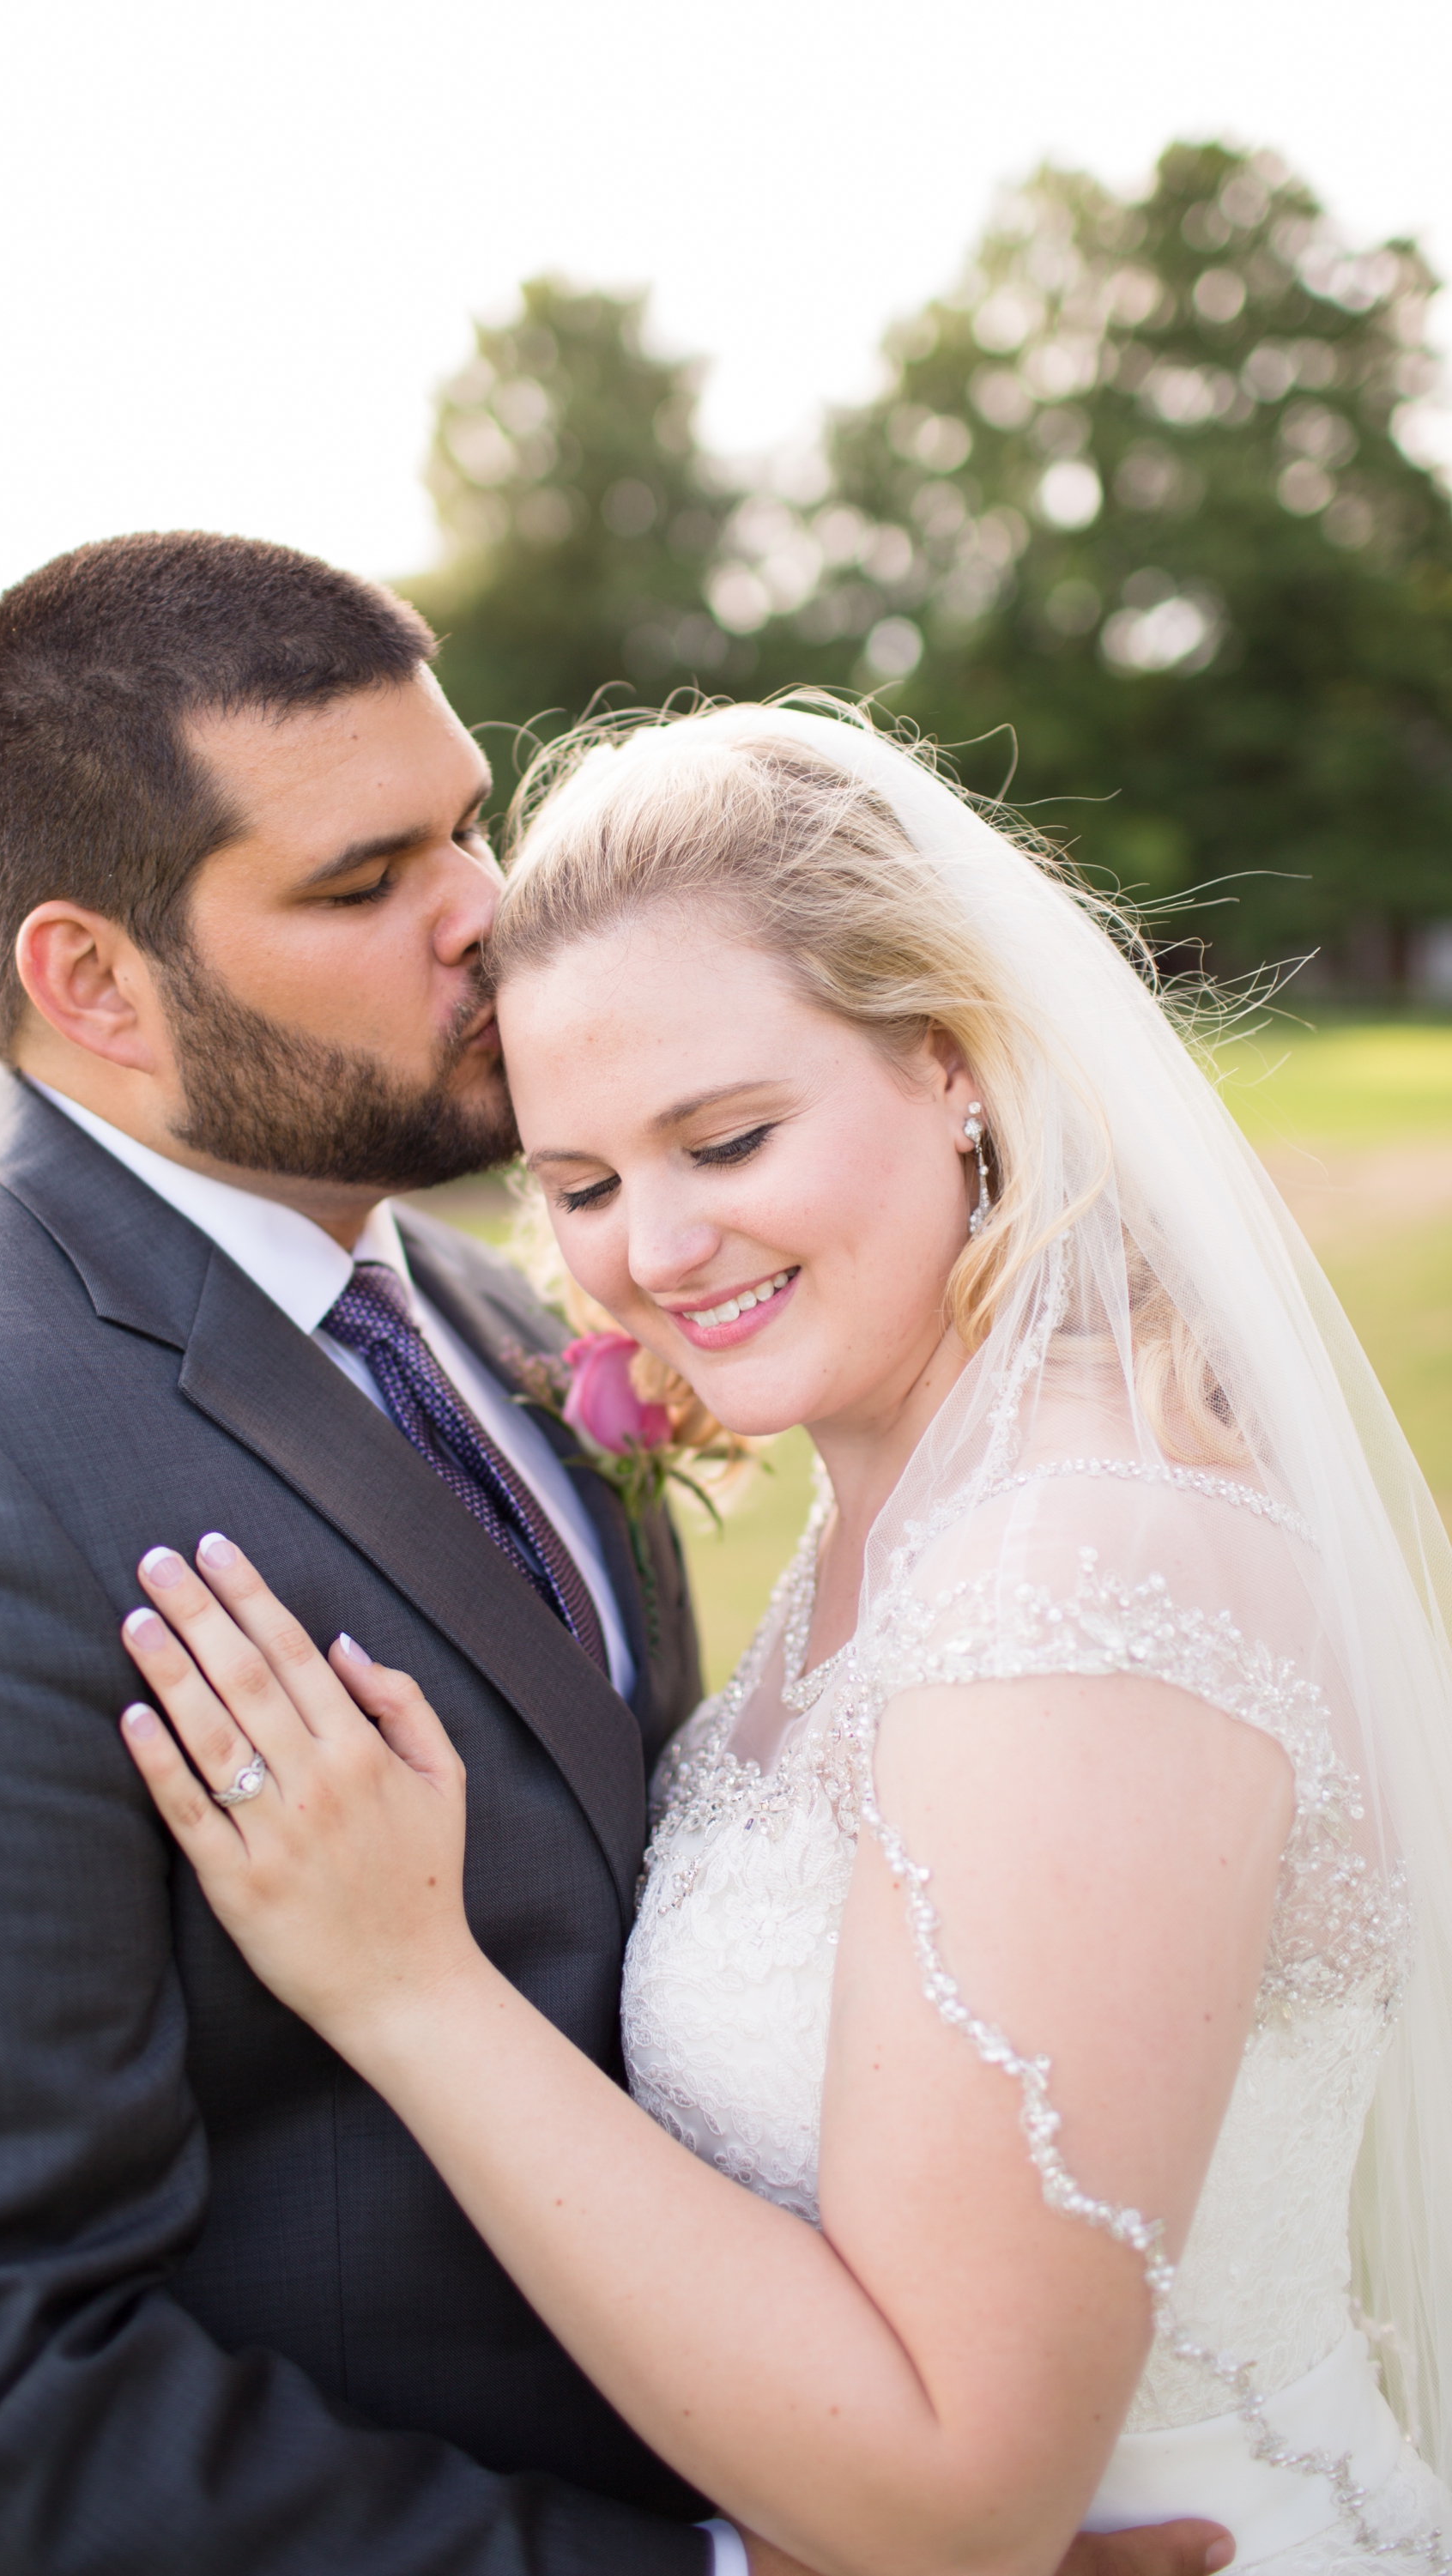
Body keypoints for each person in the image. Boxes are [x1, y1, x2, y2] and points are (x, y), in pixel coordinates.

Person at [0, 539, 1214, 2576]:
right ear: (91, 978)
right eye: (362, 883)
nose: (483, 917)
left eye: (468, 826)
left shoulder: (508, 1314)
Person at [112, 700, 1452, 2576]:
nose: (652, 1248)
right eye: (577, 1183)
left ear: (950, 1065)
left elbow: (951, 2493)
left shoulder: (1070, 1575)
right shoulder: (890, 1512)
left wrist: (408, 1991)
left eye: (724, 1138)